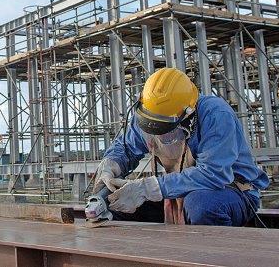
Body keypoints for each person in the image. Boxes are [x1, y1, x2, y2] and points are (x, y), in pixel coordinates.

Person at [94, 67, 269, 226]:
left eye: (166, 130)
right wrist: (111, 166)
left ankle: (217, 255)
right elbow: (125, 149)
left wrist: (147, 188)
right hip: (177, 193)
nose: (160, 135)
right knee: (117, 202)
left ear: (187, 115)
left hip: (229, 192)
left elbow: (213, 174)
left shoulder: (215, 114)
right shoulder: (149, 114)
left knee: (200, 205)